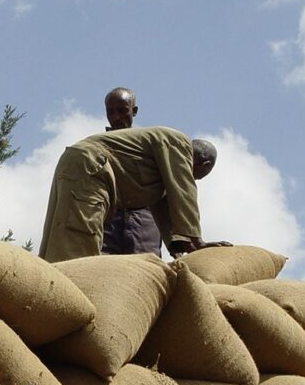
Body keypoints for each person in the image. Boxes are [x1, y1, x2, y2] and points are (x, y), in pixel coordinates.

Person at [39, 125, 231, 263]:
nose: (194, 180)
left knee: (62, 234)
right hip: (90, 166)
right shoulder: (178, 144)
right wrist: (197, 240)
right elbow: (184, 191)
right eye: (198, 177)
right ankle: (69, 301)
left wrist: (178, 248)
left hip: (80, 165)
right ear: (204, 165)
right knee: (80, 243)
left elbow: (164, 209)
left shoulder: (161, 170)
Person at [101, 87, 162, 256]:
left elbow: (166, 192)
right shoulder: (97, 148)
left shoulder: (150, 147)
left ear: (134, 111)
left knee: (147, 271)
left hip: (144, 225)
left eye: (122, 111)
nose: (116, 117)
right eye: (110, 112)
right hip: (108, 225)